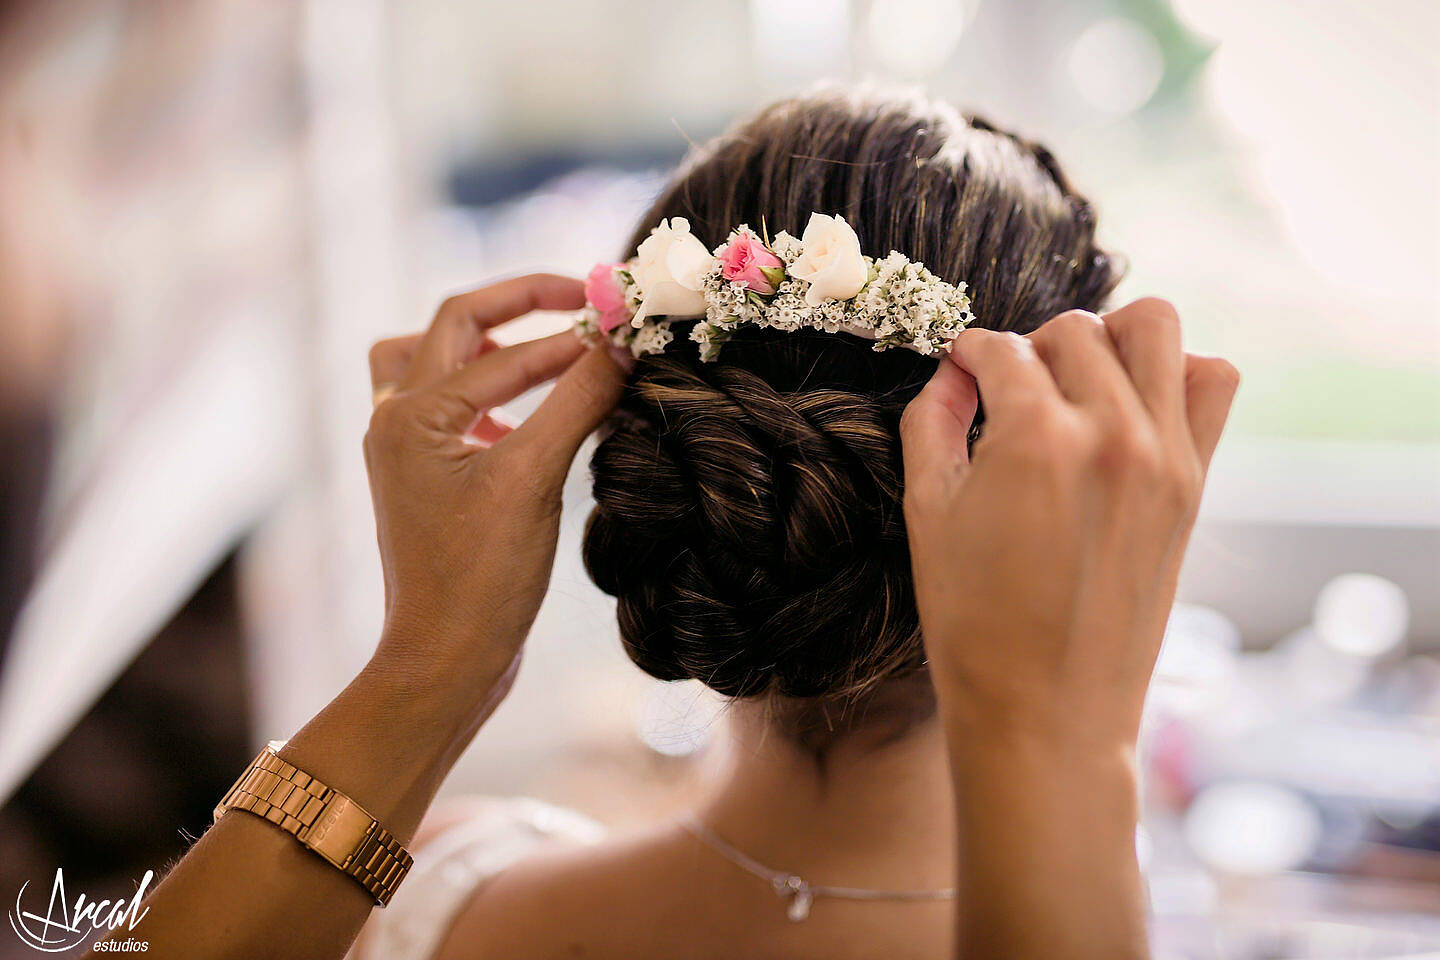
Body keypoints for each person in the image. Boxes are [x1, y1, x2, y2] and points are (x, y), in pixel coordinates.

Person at [87, 89, 1237, 960]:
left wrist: (432, 658)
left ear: (646, 426)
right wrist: (1071, 749)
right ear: (1096, 517)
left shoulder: (413, 895)